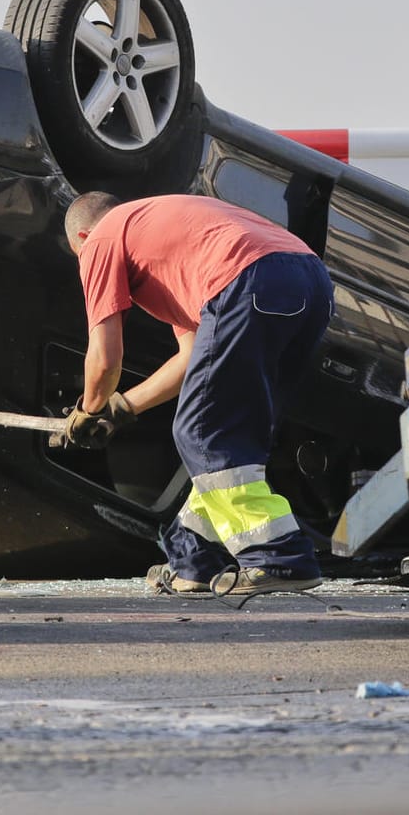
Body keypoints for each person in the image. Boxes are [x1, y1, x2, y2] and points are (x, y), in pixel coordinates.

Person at [62, 191, 332, 596]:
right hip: (310, 282)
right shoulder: (164, 235)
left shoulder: (102, 239)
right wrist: (121, 408)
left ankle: (279, 556)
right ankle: (195, 559)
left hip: (248, 278)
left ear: (82, 236)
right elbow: (191, 356)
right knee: (228, 438)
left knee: (203, 434)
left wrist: (88, 409)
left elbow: (104, 357)